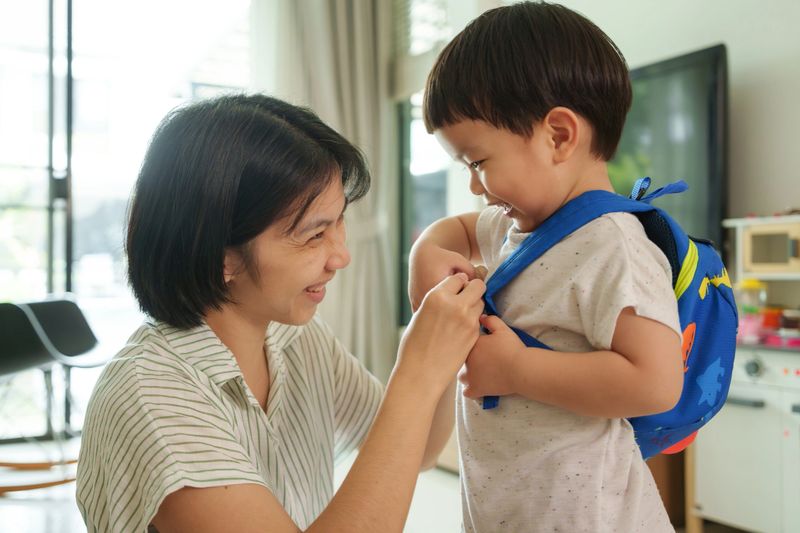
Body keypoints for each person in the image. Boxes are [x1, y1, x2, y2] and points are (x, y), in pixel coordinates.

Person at [76, 94, 486, 533]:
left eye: (339, 221)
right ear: (221, 257)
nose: (340, 256)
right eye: (314, 235)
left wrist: (440, 345)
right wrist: (417, 371)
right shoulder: (151, 398)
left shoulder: (295, 339)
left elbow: (418, 448)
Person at [409, 2, 684, 531]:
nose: (474, 186)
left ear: (558, 135)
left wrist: (516, 370)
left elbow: (655, 382)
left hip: (589, 516)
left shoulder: (613, 246)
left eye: (478, 163)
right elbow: (461, 229)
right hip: (511, 503)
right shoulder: (518, 226)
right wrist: (427, 251)